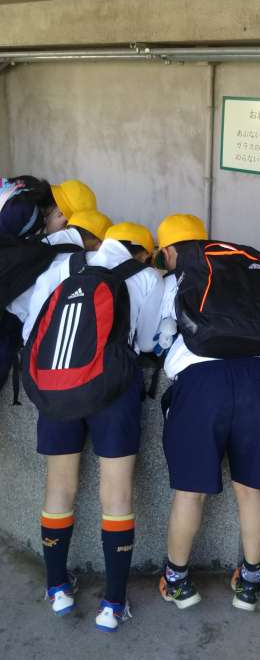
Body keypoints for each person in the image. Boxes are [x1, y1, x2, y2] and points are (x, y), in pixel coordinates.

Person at [22, 222, 163, 632]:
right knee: (117, 493)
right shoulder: (146, 277)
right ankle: (113, 604)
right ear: (144, 252)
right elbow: (149, 341)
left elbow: (33, 330)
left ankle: (57, 588)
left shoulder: (62, 268)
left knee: (58, 487)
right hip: (113, 391)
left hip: (58, 387)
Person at [156, 214, 260, 613]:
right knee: (251, 488)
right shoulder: (241, 268)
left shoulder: (176, 280)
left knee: (190, 492)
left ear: (170, 251)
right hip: (257, 378)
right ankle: (249, 582)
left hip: (202, 383)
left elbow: (156, 338)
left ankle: (178, 582)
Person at [0, 209, 111, 396]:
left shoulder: (45, 239)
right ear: (97, 242)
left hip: (5, 302)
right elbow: (44, 296)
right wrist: (29, 340)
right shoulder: (71, 258)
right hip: (16, 320)